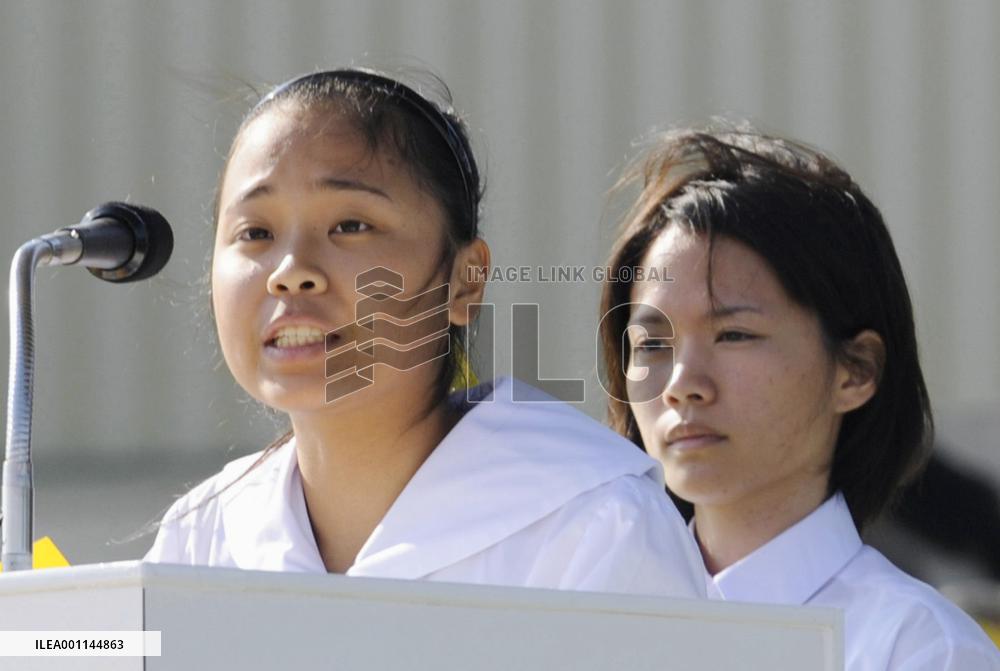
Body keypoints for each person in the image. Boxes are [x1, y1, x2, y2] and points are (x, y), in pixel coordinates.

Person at [144, 68, 705, 598]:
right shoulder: (202, 539)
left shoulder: (594, 521)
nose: (292, 271)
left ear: (465, 281)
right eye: (255, 232)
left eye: (351, 225)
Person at [597, 125, 1000, 667]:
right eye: (652, 344)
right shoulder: (579, 622)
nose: (680, 384)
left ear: (855, 370)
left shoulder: (917, 649)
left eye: (733, 334)